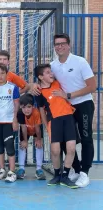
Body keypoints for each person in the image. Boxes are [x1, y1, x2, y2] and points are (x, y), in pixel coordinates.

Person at [31, 33, 96, 188]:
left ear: (69, 45)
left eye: (62, 43)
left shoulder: (80, 62)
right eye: (56, 44)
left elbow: (92, 87)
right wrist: (33, 84)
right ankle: (75, 169)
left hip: (83, 103)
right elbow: (43, 78)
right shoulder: (53, 66)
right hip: (64, 109)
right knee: (66, 141)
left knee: (86, 138)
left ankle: (85, 173)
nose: (59, 46)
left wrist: (68, 95)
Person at [34, 64, 78, 189]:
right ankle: (57, 175)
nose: (51, 74)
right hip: (54, 121)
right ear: (41, 77)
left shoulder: (57, 83)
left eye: (51, 71)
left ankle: (65, 176)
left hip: (68, 118)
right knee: (55, 150)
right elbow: (41, 110)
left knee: (71, 148)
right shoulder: (39, 93)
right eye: (47, 72)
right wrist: (45, 124)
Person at [0, 50, 28, 173]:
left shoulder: (12, 85)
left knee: (9, 145)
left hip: (9, 120)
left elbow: (25, 88)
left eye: (4, 59)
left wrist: (14, 96)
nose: (0, 75)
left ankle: (12, 171)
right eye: (0, 59)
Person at [16, 93, 46, 180]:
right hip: (26, 129)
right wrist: (25, 141)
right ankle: (21, 168)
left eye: (29, 107)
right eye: (24, 107)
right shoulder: (20, 113)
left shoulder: (36, 112)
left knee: (39, 145)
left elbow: (37, 128)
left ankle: (39, 169)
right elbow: (23, 128)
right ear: (21, 107)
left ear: (33, 106)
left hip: (36, 129)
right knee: (22, 145)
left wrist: (39, 139)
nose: (26, 110)